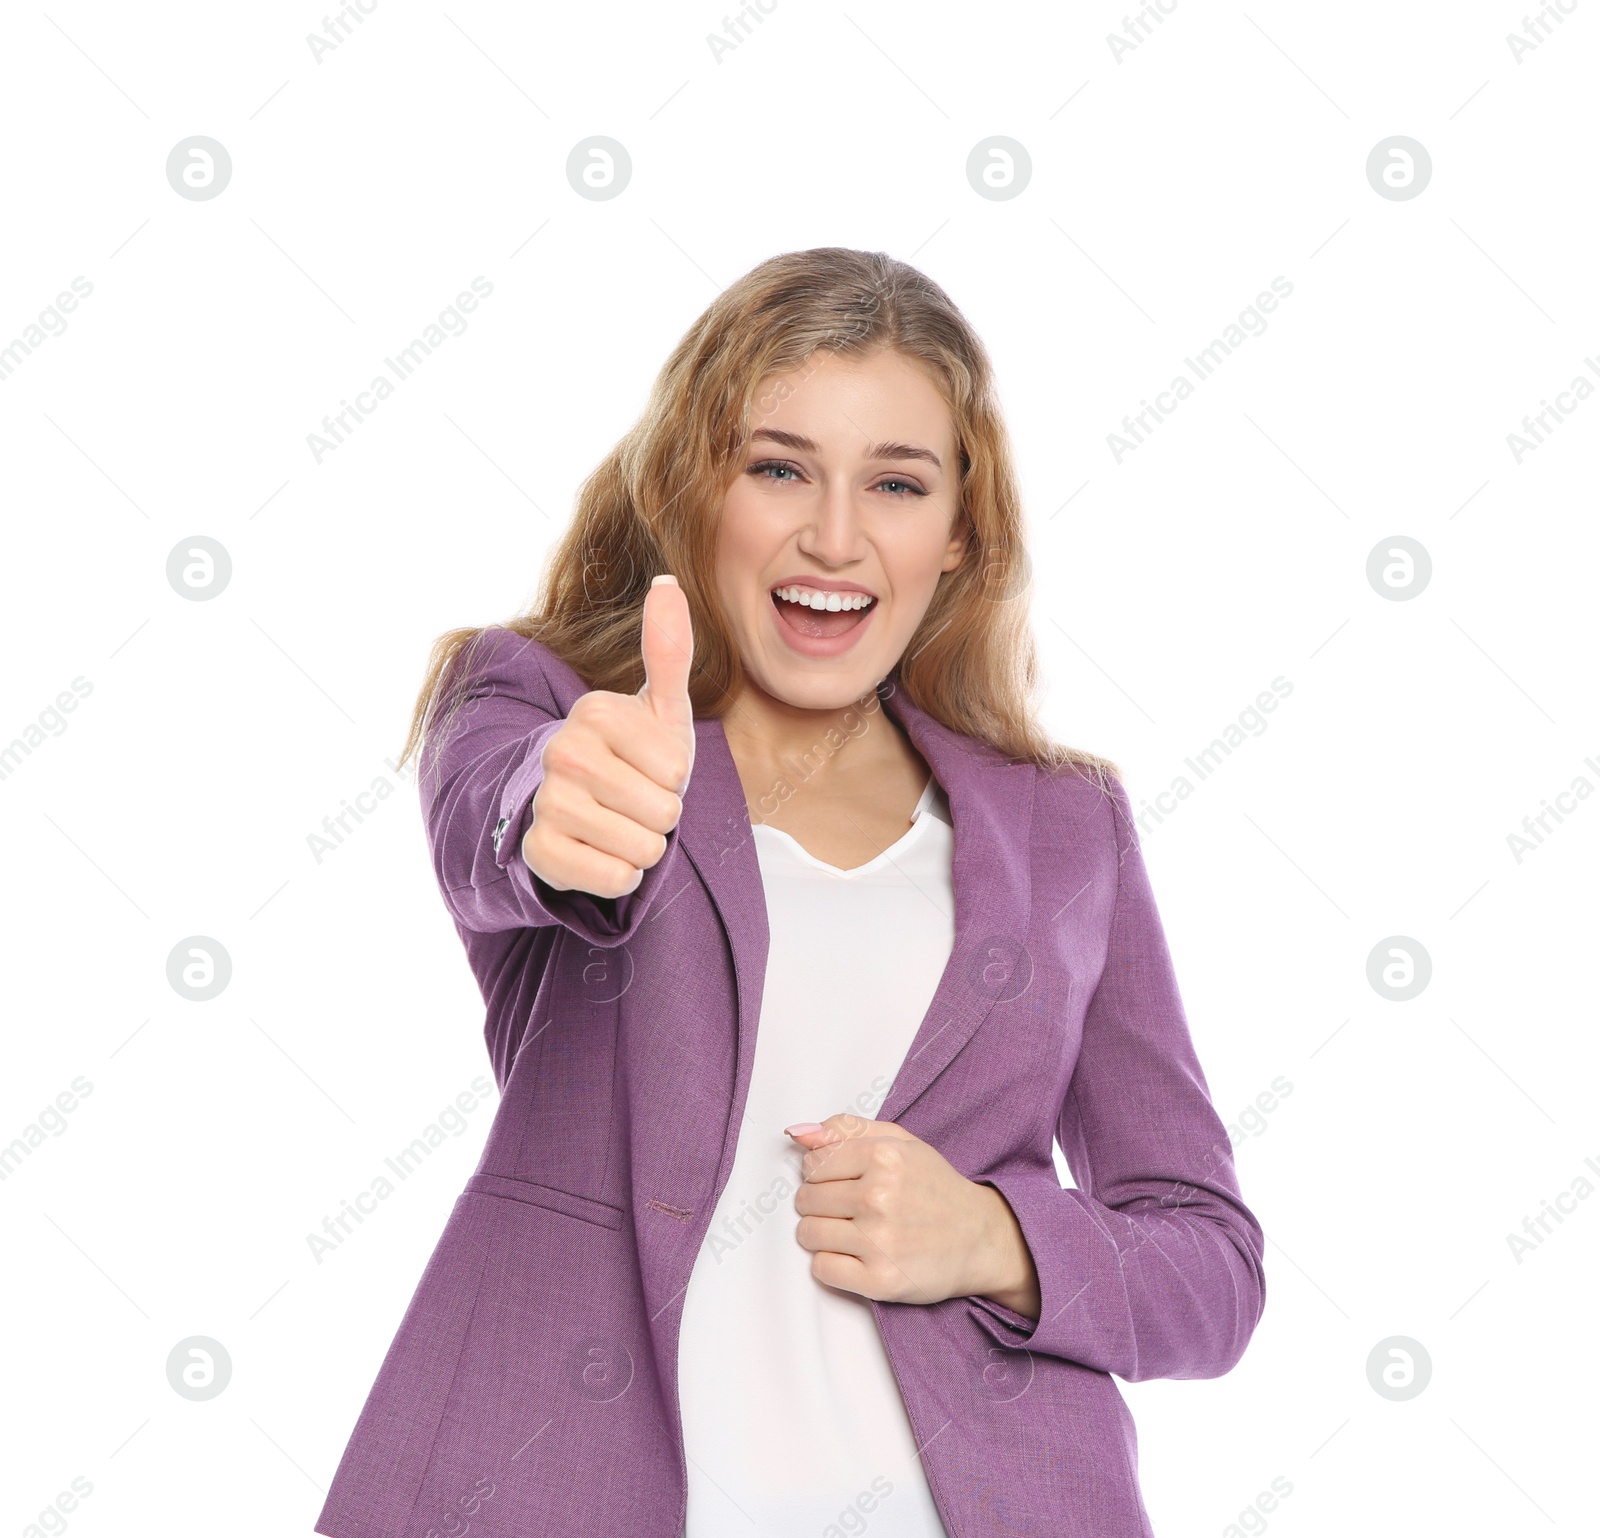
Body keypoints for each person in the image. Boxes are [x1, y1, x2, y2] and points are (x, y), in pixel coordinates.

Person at [315, 247, 1266, 1538]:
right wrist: (561, 805)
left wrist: (992, 1237)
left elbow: (1209, 1267)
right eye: (778, 468)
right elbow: (500, 822)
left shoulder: (1063, 827)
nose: (835, 534)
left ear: (959, 536)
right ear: (693, 491)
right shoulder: (549, 709)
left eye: (896, 482)